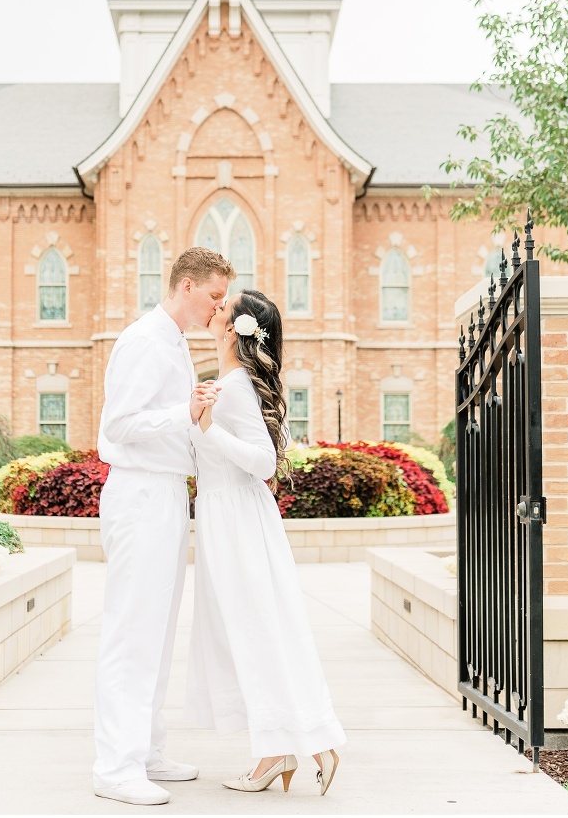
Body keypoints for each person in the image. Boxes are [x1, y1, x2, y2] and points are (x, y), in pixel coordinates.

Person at [186, 289, 346, 795]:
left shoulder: (233, 388)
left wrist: (206, 426)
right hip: (227, 516)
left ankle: (290, 749)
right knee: (251, 630)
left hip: (237, 520)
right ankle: (290, 747)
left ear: (235, 329)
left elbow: (263, 461)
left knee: (254, 631)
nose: (214, 308)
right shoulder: (229, 385)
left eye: (223, 307)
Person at [92, 247, 235, 807]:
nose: (219, 307)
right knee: (133, 631)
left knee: (157, 629)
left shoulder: (173, 342)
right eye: (215, 295)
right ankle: (115, 766)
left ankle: (147, 750)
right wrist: (186, 412)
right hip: (141, 493)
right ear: (187, 286)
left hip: (167, 493)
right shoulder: (145, 340)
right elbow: (119, 424)